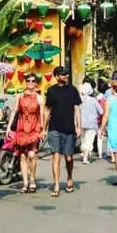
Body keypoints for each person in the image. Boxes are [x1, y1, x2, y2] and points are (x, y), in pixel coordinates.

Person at [44, 66, 82, 197]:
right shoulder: (51, 91)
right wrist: (43, 128)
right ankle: (56, 184)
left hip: (69, 129)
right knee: (56, 156)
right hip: (54, 128)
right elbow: (47, 110)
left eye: (67, 73)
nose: (66, 76)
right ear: (56, 76)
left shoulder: (73, 90)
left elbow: (77, 109)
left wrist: (79, 126)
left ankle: (69, 176)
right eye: (63, 74)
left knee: (69, 157)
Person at [6, 74, 44, 193]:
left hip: (34, 128)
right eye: (28, 80)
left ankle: (32, 179)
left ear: (36, 83)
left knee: (32, 155)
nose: (30, 82)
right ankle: (25, 183)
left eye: (33, 81)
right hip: (21, 128)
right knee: (22, 156)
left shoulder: (40, 98)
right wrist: (9, 127)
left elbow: (42, 115)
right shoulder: (20, 96)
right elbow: (14, 111)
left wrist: (43, 130)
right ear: (25, 82)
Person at [79, 83, 103, 164]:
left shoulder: (79, 100)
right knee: (89, 140)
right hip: (92, 123)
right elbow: (101, 111)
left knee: (83, 140)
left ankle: (85, 153)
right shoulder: (93, 100)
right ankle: (85, 157)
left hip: (81, 123)